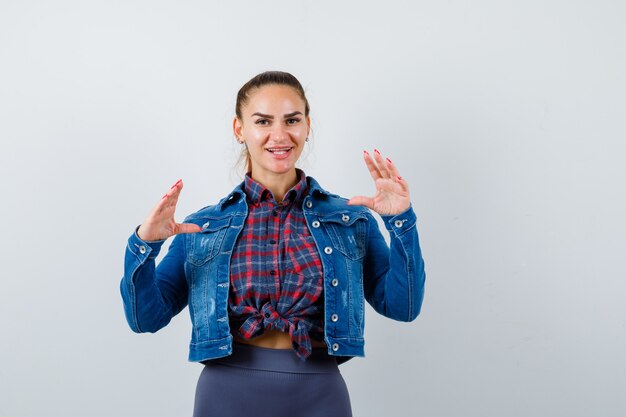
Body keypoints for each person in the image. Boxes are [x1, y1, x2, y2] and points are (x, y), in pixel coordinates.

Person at [120, 71, 426, 417]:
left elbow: (404, 307)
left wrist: (400, 221)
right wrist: (145, 245)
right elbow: (145, 319)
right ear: (240, 129)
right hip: (226, 395)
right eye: (263, 121)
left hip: (319, 394)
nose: (279, 135)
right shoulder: (203, 227)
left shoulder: (349, 220)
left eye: (291, 120)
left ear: (307, 126)